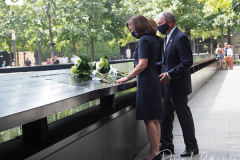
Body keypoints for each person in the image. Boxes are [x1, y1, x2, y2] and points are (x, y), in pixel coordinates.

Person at [115, 14, 162, 160]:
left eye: (132, 28)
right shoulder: (153, 39)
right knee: (155, 119)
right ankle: (157, 151)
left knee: (149, 119)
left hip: (146, 83)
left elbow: (142, 64)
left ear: (139, 25)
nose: (132, 31)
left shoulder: (143, 40)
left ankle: (153, 153)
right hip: (154, 81)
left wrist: (127, 77)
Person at [156, 11, 198, 157]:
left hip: (177, 86)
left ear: (169, 22)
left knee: (183, 116)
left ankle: (192, 147)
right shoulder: (168, 37)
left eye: (159, 23)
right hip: (167, 86)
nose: (157, 26)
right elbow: (167, 61)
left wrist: (170, 74)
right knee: (165, 116)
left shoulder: (180, 37)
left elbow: (187, 62)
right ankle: (167, 146)